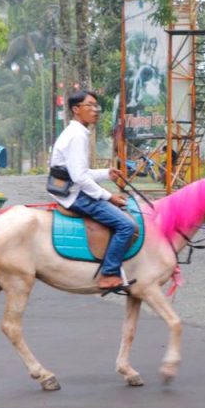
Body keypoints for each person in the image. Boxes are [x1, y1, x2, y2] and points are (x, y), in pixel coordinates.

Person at [49, 90, 136, 293]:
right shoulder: (77, 136)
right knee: (126, 225)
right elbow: (79, 178)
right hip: (74, 194)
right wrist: (109, 196)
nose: (95, 110)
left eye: (96, 106)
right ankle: (109, 273)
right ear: (76, 110)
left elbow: (80, 172)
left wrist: (106, 174)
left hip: (67, 189)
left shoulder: (76, 133)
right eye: (90, 105)